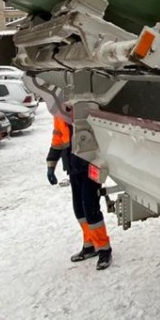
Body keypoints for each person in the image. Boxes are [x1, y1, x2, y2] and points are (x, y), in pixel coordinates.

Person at [47, 107, 112, 270]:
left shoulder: (86, 107)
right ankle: (89, 244)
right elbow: (58, 138)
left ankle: (104, 249)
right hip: (73, 166)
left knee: (90, 208)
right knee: (79, 210)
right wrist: (51, 164)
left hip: (90, 165)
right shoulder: (59, 112)